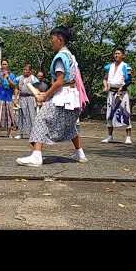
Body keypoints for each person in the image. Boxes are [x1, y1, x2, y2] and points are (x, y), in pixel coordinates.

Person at [16, 26, 88, 167]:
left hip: (63, 96)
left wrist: (45, 96)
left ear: (60, 39)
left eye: (52, 39)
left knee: (41, 119)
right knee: (70, 126)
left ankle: (36, 155)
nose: (51, 42)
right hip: (72, 97)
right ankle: (80, 153)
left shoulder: (60, 57)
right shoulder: (70, 55)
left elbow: (59, 82)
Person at [102, 48, 133, 144]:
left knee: (125, 113)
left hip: (122, 93)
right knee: (109, 114)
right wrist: (106, 86)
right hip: (111, 92)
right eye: (115, 53)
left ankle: (128, 137)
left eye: (118, 53)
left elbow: (129, 80)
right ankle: (110, 136)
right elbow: (105, 78)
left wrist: (121, 89)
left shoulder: (126, 67)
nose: (116, 55)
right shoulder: (109, 66)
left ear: (123, 55)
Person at [0, 59, 17, 138]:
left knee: (9, 116)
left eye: (5, 64)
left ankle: (9, 133)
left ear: (8, 65)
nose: (4, 65)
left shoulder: (12, 75)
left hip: (8, 98)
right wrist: (2, 78)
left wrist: (8, 78)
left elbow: (14, 86)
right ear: (1, 66)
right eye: (3, 64)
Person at [14, 64, 39, 139]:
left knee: (31, 115)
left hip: (30, 98)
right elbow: (16, 88)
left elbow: (37, 89)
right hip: (22, 97)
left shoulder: (33, 78)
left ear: (30, 71)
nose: (25, 71)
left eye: (26, 70)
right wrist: (16, 98)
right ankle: (20, 133)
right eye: (24, 69)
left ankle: (32, 133)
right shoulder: (19, 78)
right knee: (21, 115)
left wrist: (37, 99)